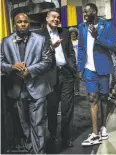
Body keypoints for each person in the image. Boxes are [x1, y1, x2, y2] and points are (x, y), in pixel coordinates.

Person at [1, 13, 53, 154]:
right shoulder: (6, 42)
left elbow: (47, 61)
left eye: (25, 22)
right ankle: (31, 150)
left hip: (37, 87)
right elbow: (0, 63)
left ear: (29, 23)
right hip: (17, 90)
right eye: (19, 22)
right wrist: (11, 67)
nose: (23, 24)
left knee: (38, 123)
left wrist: (29, 70)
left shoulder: (41, 39)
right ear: (14, 24)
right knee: (25, 125)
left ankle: (39, 152)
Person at [77, 3, 116, 146]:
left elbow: (113, 45)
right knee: (92, 99)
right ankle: (95, 134)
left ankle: (103, 127)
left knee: (104, 99)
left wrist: (97, 37)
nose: (85, 15)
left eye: (87, 12)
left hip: (104, 68)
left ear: (94, 11)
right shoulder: (81, 27)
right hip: (89, 69)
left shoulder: (106, 25)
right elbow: (81, 48)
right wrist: (79, 68)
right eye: (83, 13)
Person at [37, 10, 76, 148]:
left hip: (66, 74)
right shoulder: (39, 35)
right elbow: (38, 56)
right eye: (53, 17)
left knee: (67, 108)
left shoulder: (64, 32)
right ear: (47, 18)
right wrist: (51, 48)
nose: (56, 19)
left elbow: (71, 53)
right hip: (50, 76)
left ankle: (66, 137)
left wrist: (73, 66)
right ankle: (53, 135)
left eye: (58, 17)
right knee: (52, 109)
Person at [69, 27, 80, 96]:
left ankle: (77, 90)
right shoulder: (68, 42)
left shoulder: (78, 42)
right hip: (70, 63)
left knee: (77, 77)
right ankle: (70, 90)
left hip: (77, 62)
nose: (73, 35)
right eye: (71, 34)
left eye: (74, 34)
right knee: (70, 77)